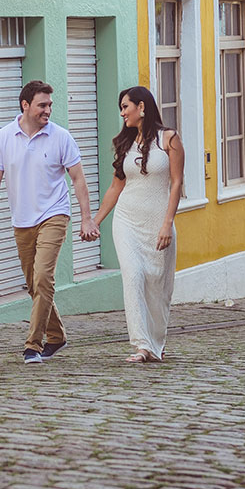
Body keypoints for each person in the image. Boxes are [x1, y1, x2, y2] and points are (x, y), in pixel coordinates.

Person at [0, 80, 99, 364]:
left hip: (54, 215)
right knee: (34, 285)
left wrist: (86, 219)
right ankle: (57, 336)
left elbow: (78, 179)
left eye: (50, 105)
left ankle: (33, 345)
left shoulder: (61, 137)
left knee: (43, 278)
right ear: (25, 105)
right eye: (42, 105)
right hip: (21, 220)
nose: (48, 110)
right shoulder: (3, 138)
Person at [94, 86, 184, 364]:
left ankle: (157, 342)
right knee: (133, 276)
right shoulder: (124, 143)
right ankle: (142, 345)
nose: (122, 113)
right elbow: (115, 187)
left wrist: (167, 223)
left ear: (141, 107)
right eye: (121, 108)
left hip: (158, 221)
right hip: (127, 220)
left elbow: (177, 183)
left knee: (158, 285)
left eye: (125, 107)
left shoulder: (169, 139)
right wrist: (94, 222)